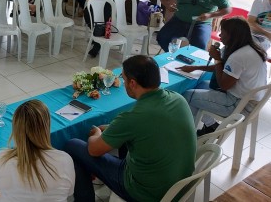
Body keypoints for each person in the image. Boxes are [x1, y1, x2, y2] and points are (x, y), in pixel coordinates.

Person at [65, 55, 196, 202]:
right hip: (181, 185)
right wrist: (113, 129)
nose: (123, 83)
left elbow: (93, 150)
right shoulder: (178, 98)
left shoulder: (133, 117)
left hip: (146, 193)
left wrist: (96, 133)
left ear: (132, 83)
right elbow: (146, 128)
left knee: (73, 145)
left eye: (124, 79)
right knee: (123, 141)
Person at [180, 17, 267, 136]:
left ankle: (188, 135)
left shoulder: (238, 57)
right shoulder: (250, 48)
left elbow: (224, 85)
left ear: (232, 35)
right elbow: (225, 69)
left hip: (239, 105)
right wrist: (195, 67)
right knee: (201, 85)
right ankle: (211, 126)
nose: (220, 35)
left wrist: (217, 59)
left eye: (223, 32)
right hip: (249, 100)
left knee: (187, 95)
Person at [0, 100, 75, 202]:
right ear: (46, 126)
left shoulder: (2, 158)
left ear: (16, 129)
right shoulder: (65, 160)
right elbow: (69, 193)